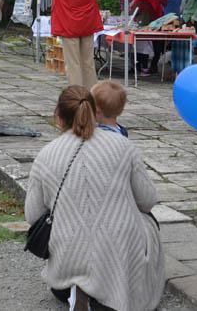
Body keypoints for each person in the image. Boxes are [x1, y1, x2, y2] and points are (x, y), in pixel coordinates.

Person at [25, 85, 164, 311]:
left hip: (64, 270)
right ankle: (111, 290)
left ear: (58, 116)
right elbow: (147, 200)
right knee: (148, 221)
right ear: (94, 111)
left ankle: (80, 287)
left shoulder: (45, 155)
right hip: (118, 265)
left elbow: (33, 216)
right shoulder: (123, 145)